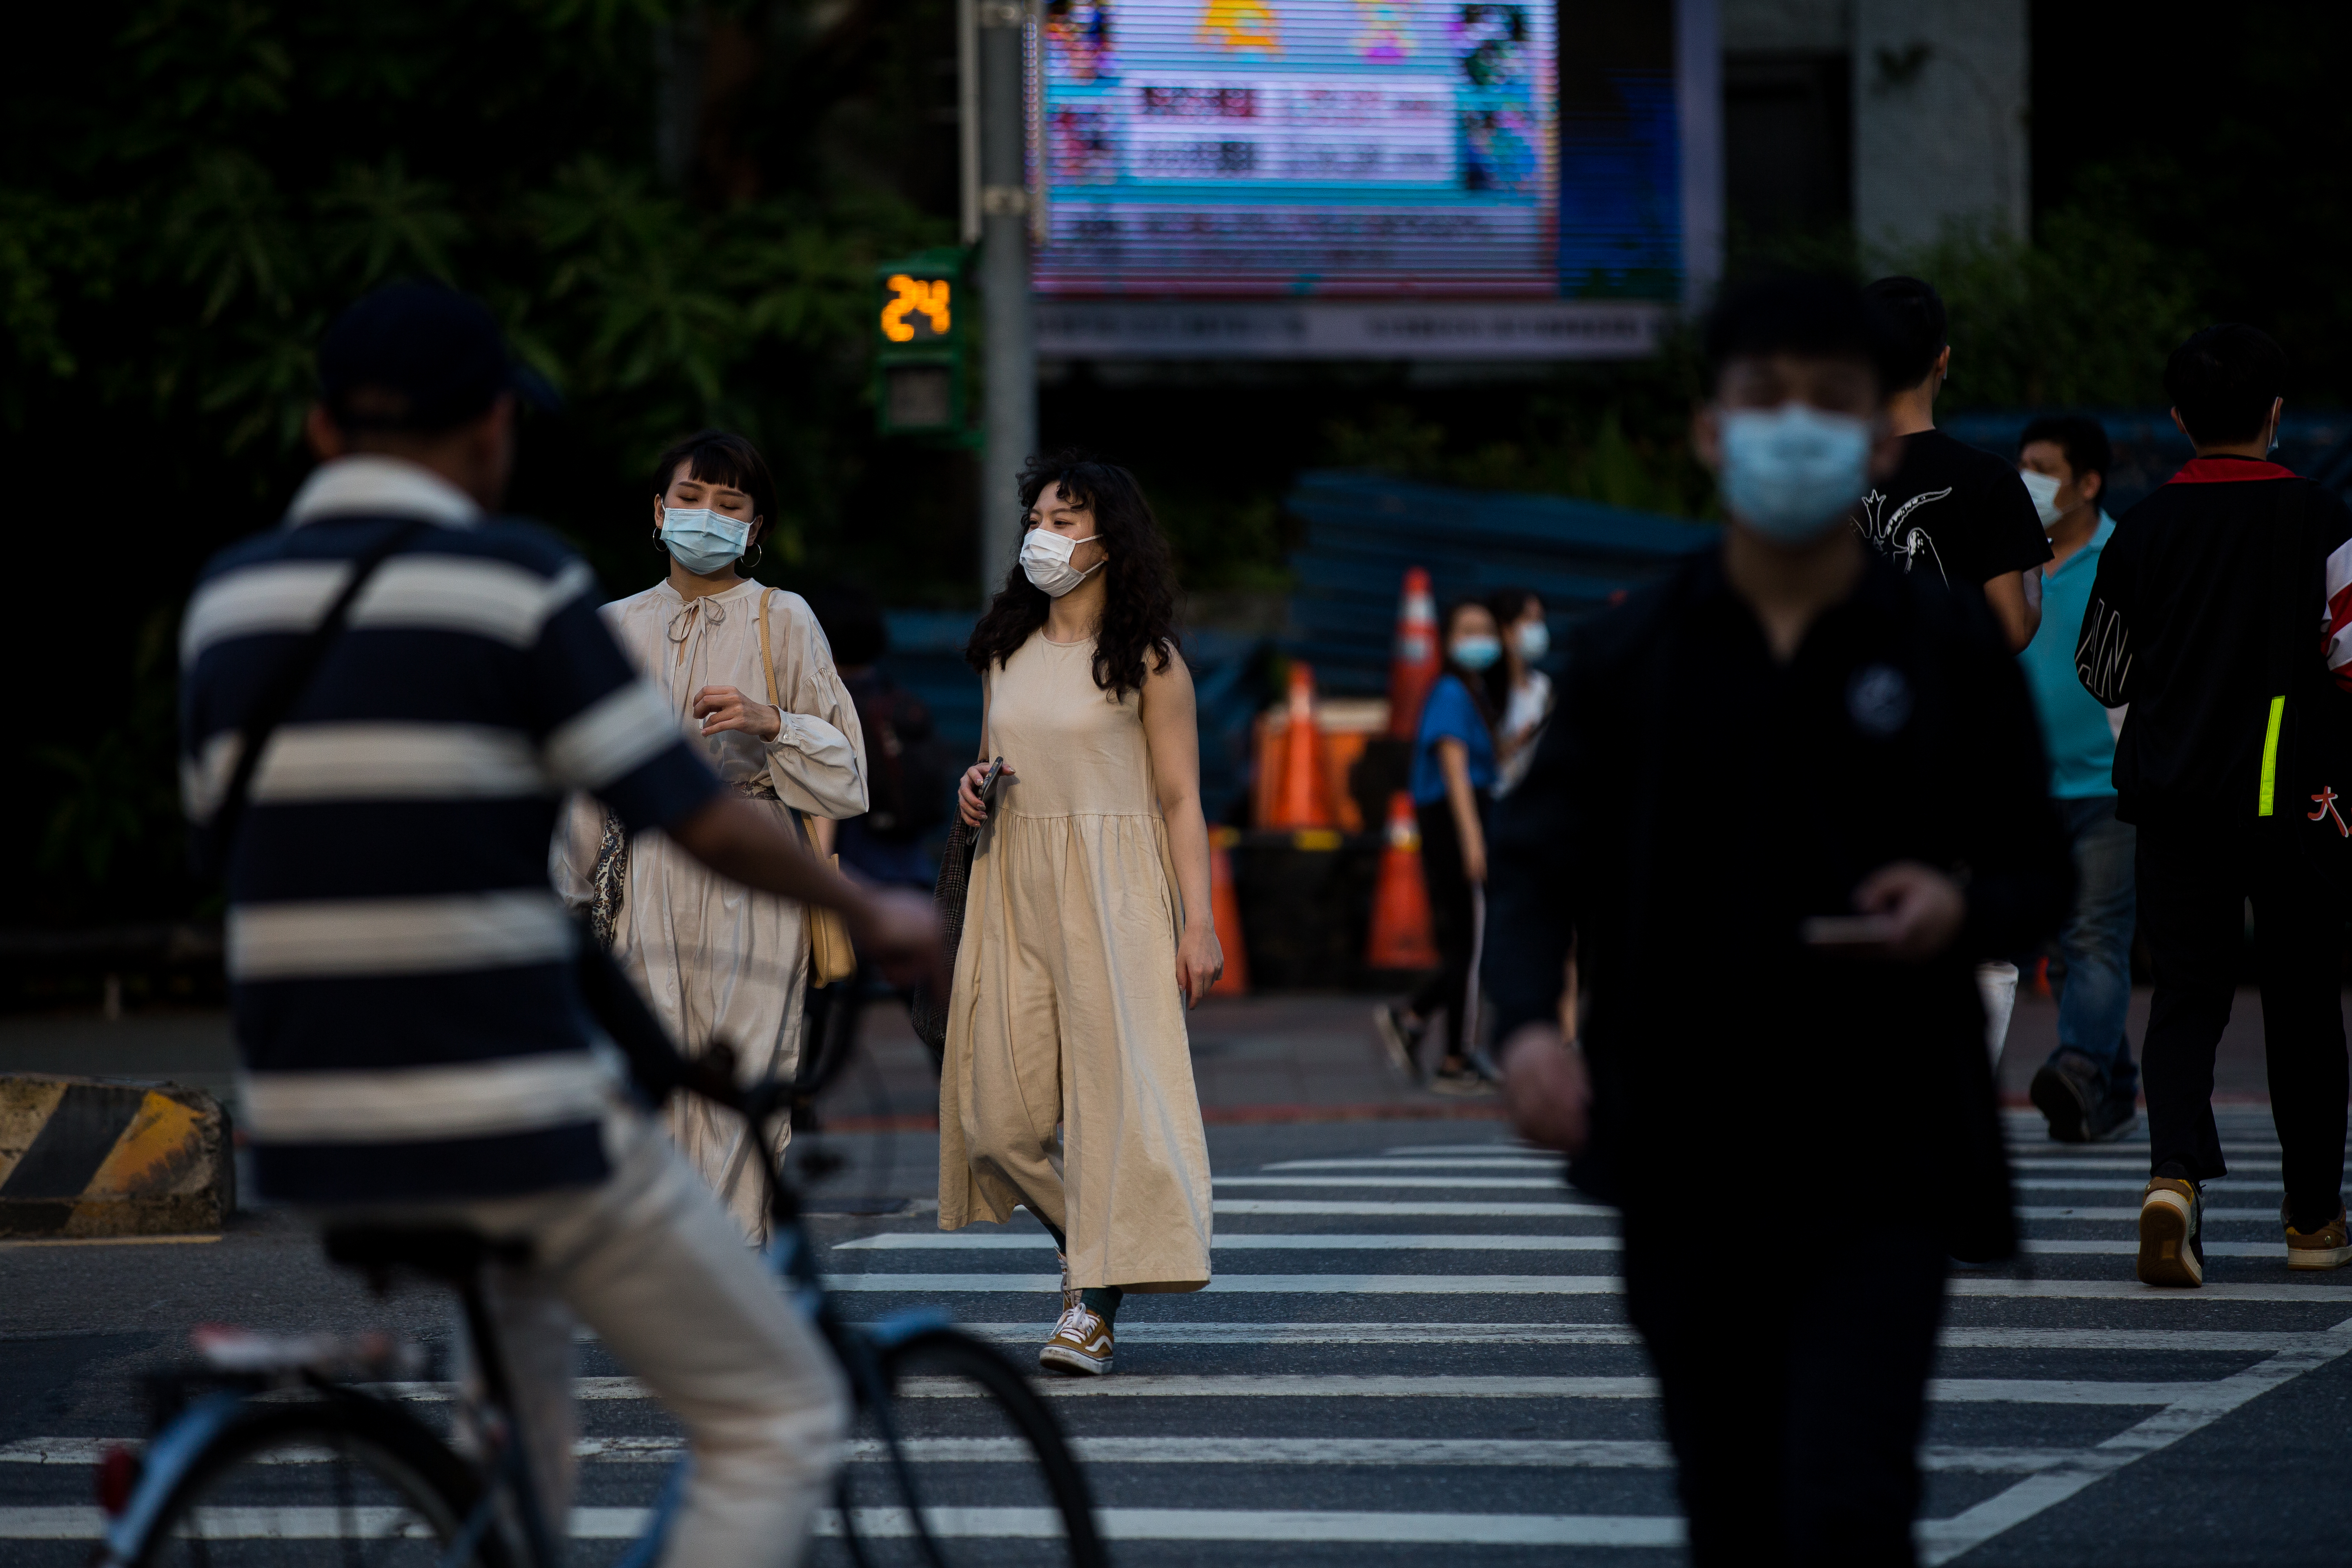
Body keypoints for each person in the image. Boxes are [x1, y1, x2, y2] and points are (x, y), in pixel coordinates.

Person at [178, 283, 941, 1566]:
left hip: (306, 1113)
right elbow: (684, 811)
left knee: (516, 1415)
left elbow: (230, 846)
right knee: (779, 1411)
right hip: (507, 1083)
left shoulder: (226, 604)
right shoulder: (522, 589)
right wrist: (871, 906)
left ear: (318, 431)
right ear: (491, 431)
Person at [1488, 274, 2070, 1566]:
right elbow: (1534, 859)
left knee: (1851, 1506)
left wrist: (1958, 903)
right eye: (1764, 402)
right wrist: (1527, 1028)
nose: (1792, 428)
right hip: (1685, 1146)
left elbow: (2042, 868)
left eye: (1829, 404)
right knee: (1734, 1510)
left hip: (1884, 1144)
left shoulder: (1938, 646)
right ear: (1711, 430)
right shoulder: (1636, 655)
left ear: (1876, 439)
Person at [2077, 323, 2352, 1285]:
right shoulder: (2323, 518)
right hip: (2295, 804)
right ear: (2275, 413)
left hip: (2173, 801)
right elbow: (2351, 659)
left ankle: (2171, 1184)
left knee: (2183, 999)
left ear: (2178, 419)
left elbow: (2097, 665)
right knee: (2302, 1008)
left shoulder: (2141, 527)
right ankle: (2311, 1218)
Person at [940, 452, 1221, 1378]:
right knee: (993, 1120)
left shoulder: (1150, 662)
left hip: (1116, 890)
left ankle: (1090, 1304)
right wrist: (971, 789)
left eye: (1066, 518)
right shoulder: (1002, 651)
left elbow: (1180, 799)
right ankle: (1095, 1246)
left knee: (1108, 1105)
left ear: (1111, 537)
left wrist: (1197, 921)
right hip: (1012, 882)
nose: (1044, 534)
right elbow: (989, 761)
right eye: (1038, 516)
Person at [552, 430, 867, 1241]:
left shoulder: (784, 619)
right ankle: (685, 1302)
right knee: (653, 1094)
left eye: (731, 506)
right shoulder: (611, 628)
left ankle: (734, 1283)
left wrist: (773, 723)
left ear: (755, 530)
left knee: (746, 1089)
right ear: (658, 511)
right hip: (640, 879)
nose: (707, 517)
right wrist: (569, 902)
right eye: (691, 499)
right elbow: (584, 782)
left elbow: (847, 772)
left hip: (754, 870)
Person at [2013, 415, 2140, 1142]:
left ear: (2088, 483)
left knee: (2094, 941)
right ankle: (2111, 1083)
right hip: (2028, 790)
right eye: (2022, 463)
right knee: (2068, 948)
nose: (2026, 480)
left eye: (2043, 467)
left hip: (2106, 788)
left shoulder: (2124, 556)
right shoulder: (2008, 559)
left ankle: (2080, 1071)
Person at [1852, 276, 2051, 652]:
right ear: (1942, 360)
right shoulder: (1989, 479)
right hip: (1949, 702)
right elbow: (2011, 629)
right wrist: (2031, 574)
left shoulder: (1825, 476)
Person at [1374, 598, 1503, 1093]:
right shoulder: (1451, 692)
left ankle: (1414, 1020)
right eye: (1469, 630)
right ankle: (1455, 1057)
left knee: (1466, 945)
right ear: (1448, 641)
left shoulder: (1469, 692)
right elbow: (1454, 772)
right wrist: (1474, 842)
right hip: (1454, 827)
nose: (1480, 639)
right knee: (1470, 946)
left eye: (1487, 629)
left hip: (1460, 824)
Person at [1485, 586, 1554, 797]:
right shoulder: (1486, 689)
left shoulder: (1543, 686)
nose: (1537, 628)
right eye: (1528, 619)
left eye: (1540, 620)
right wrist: (1518, 742)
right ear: (1505, 630)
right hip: (1496, 800)